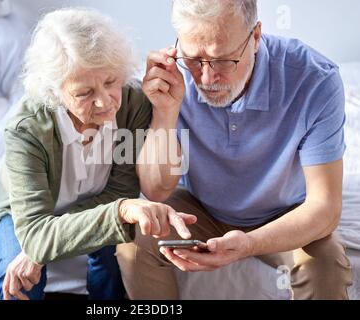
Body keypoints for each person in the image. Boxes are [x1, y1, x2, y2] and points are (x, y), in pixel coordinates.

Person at [116, 0, 353, 299]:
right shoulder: (169, 76)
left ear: (255, 37)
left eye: (223, 60)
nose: (206, 78)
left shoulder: (314, 79)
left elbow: (326, 208)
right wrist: (165, 112)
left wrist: (250, 242)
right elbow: (156, 191)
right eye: (193, 59)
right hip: (200, 207)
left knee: (326, 267)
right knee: (134, 238)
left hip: (287, 212)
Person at [0, 8, 196, 300]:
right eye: (84, 93)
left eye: (111, 81)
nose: (104, 102)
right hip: (23, 215)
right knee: (21, 280)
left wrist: (53, 239)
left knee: (115, 263)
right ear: (55, 91)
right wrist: (38, 246)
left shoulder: (132, 103)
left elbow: (120, 191)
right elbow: (35, 233)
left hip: (98, 202)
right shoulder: (27, 129)